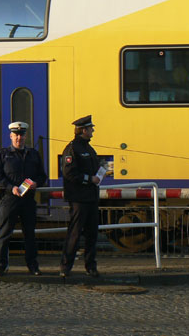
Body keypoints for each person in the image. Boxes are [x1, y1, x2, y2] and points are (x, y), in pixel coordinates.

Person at [0, 121, 48, 277]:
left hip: (28, 199)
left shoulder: (33, 154)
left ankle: (32, 265)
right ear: (10, 136)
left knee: (30, 234)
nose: (19, 138)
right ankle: (1, 265)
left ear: (26, 136)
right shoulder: (2, 155)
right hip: (9, 199)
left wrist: (37, 183)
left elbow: (43, 175)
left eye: (21, 135)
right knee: (4, 233)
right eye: (16, 135)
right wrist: (10, 187)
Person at [59, 115, 107, 278]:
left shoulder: (88, 148)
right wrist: (89, 179)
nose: (93, 131)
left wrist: (100, 173)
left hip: (91, 198)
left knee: (92, 234)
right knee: (75, 233)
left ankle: (90, 266)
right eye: (91, 128)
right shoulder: (73, 148)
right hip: (79, 199)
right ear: (84, 130)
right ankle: (66, 267)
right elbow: (69, 172)